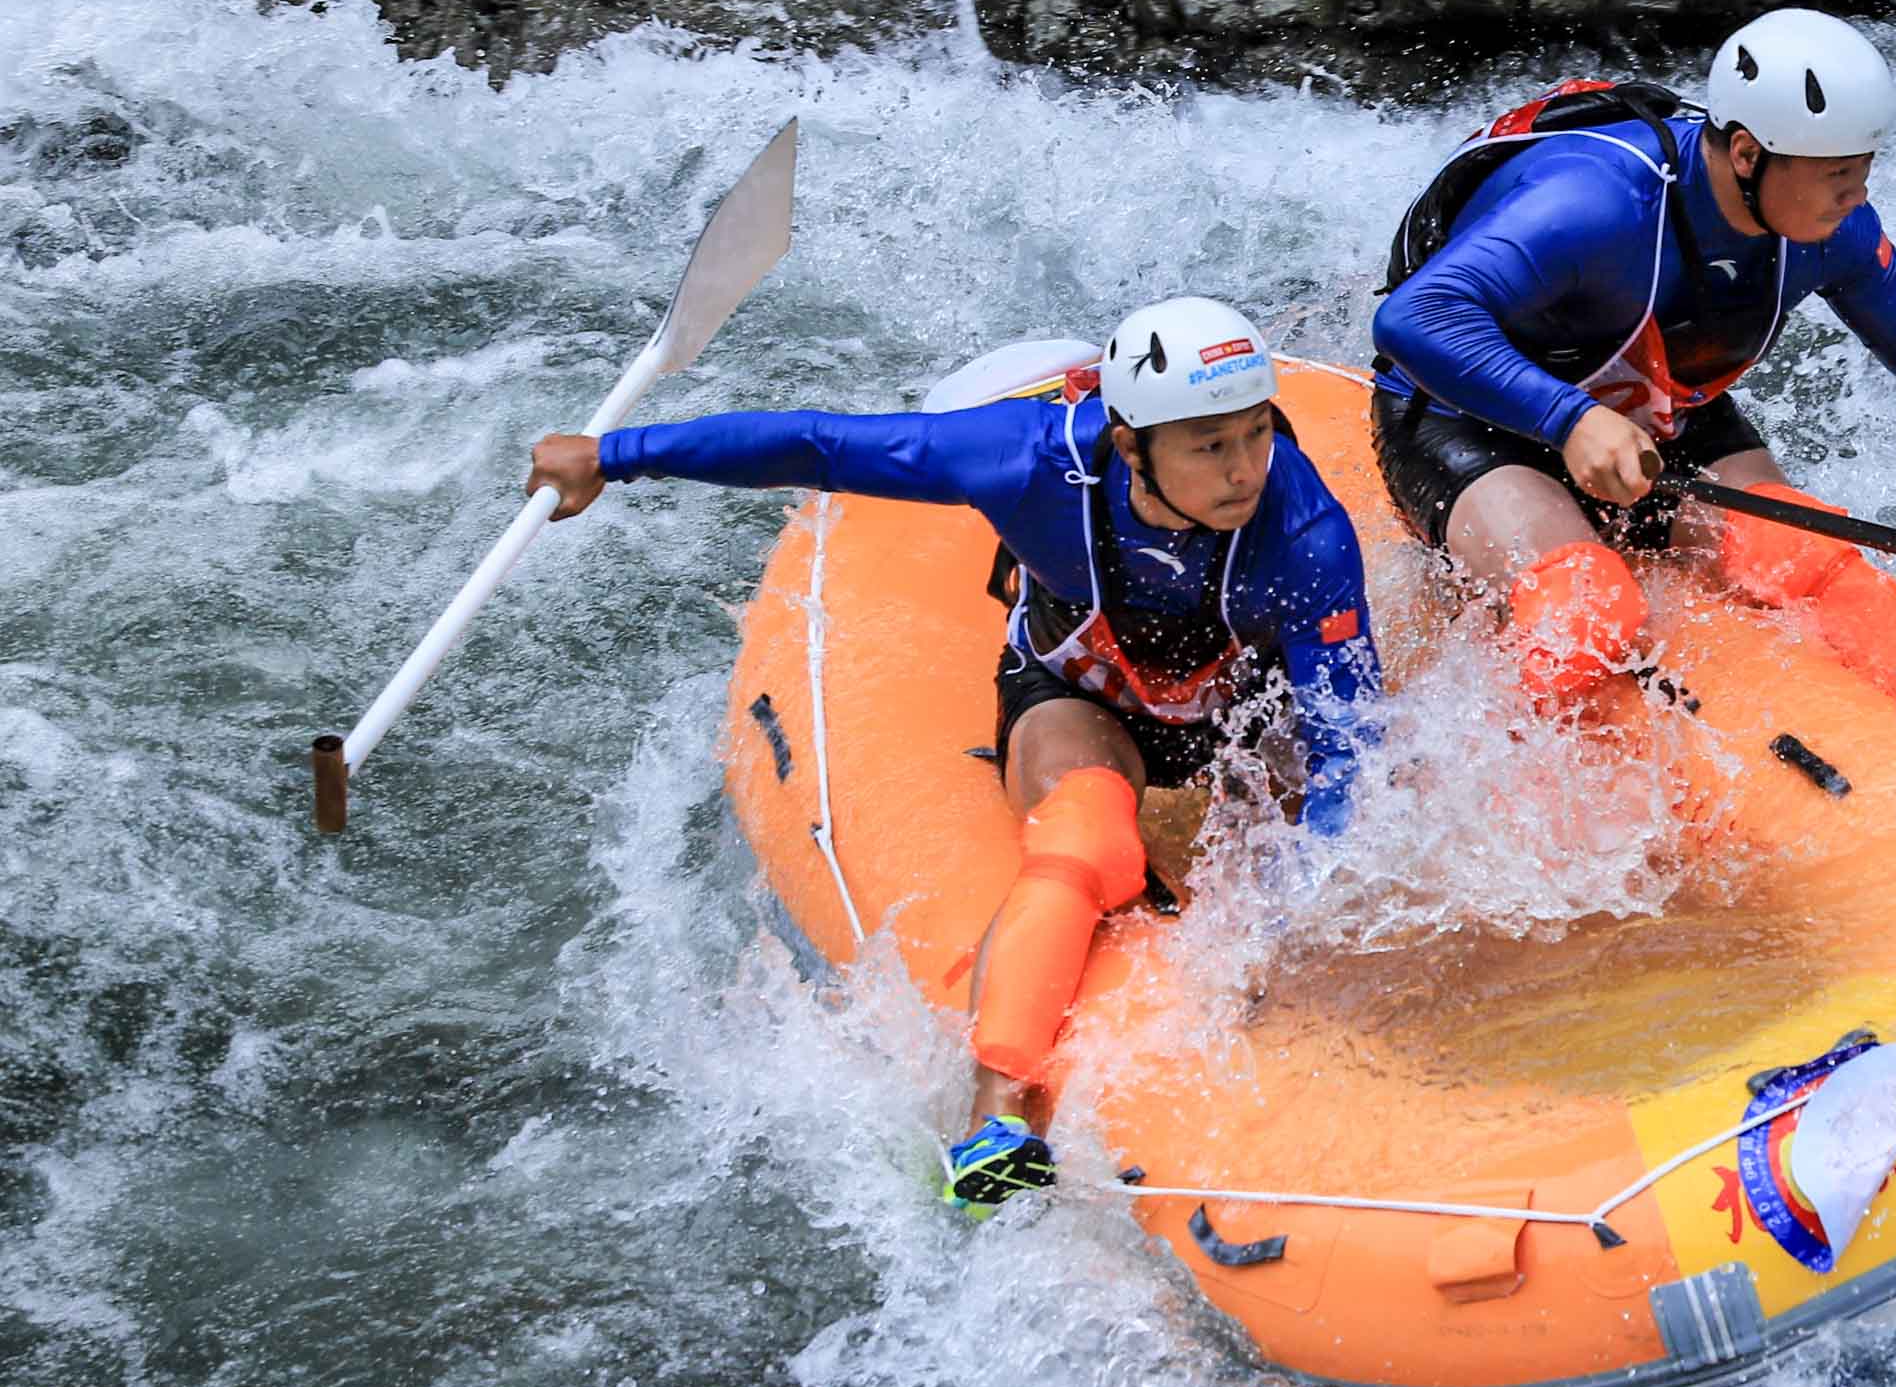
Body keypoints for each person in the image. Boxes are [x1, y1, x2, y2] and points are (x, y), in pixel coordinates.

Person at [524, 296, 1378, 1207]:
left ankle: (1273, 1067)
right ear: (1130, 446)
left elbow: (1347, 747)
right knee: (1086, 840)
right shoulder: (1026, 461)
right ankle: (997, 1120)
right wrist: (616, 457)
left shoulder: (1306, 535)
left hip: (1245, 701)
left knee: (1301, 832)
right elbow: (822, 445)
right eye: (1209, 445)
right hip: (1080, 696)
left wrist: (1287, 908)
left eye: (1255, 433)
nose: (1244, 467)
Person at [1369, 7, 1896, 728]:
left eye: (1863, 171)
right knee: (1584, 605)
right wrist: (1571, 419)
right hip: (1465, 410)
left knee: (1813, 559)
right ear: (1746, 154)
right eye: (1838, 174)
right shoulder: (1591, 203)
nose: (1857, 196)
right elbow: (1412, 318)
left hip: (1649, 406)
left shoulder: (1830, 231)